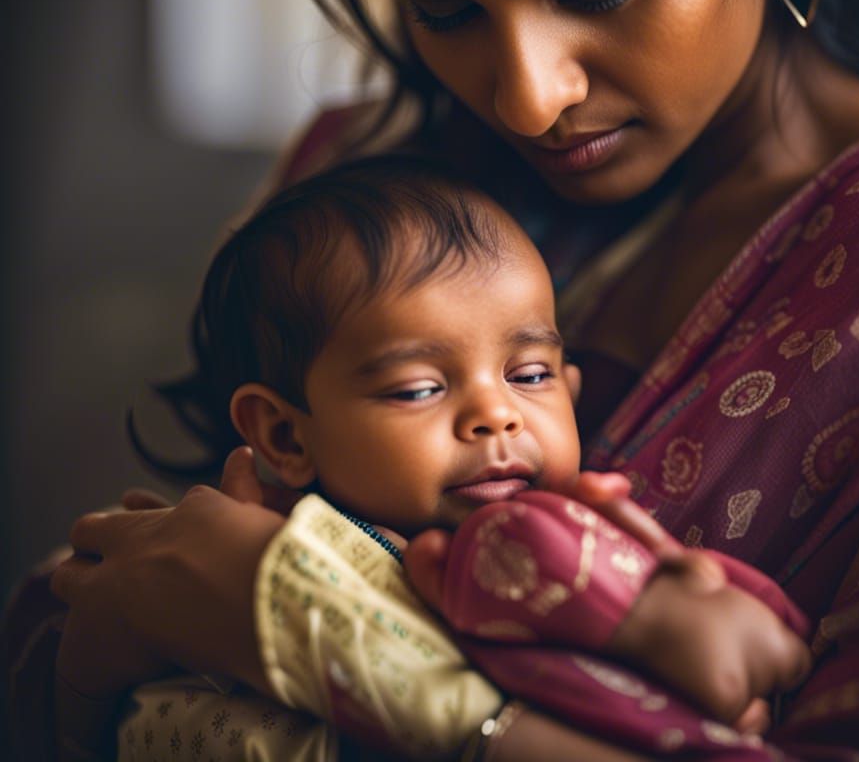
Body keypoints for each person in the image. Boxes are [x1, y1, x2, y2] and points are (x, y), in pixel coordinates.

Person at [21, 0, 859, 758]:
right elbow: (135, 582)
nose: (526, 98)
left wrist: (321, 639)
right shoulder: (373, 191)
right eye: (444, 9)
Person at [114, 153, 808, 760]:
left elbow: (741, 647)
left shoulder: (591, 534)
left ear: (571, 391)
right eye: (418, 389)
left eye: (530, 375)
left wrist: (705, 626)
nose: (496, 414)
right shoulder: (267, 557)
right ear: (286, 437)